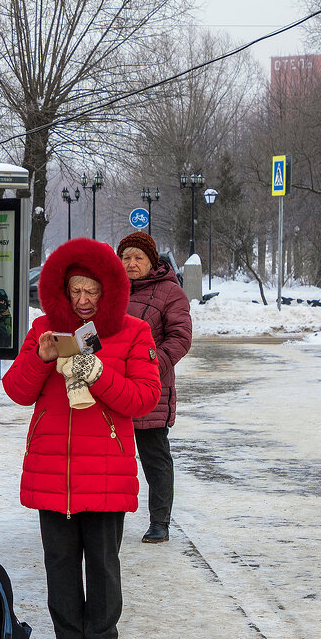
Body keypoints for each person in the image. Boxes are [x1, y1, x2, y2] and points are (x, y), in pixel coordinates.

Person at [2, 238, 159, 639]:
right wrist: (41, 357)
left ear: (108, 290)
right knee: (60, 561)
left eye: (92, 291)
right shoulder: (43, 332)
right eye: (76, 291)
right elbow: (17, 391)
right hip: (53, 470)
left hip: (106, 470)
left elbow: (143, 399)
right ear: (63, 291)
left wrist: (98, 373)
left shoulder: (134, 332)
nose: (84, 300)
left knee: (104, 563)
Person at [116, 232, 192, 544]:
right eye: (126, 258)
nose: (131, 264)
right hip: (111, 385)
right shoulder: (111, 289)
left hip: (150, 387)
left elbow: (180, 338)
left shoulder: (170, 292)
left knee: (154, 456)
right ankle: (107, 518)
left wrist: (149, 365)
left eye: (138, 258)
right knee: (112, 457)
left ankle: (159, 521)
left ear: (152, 261)